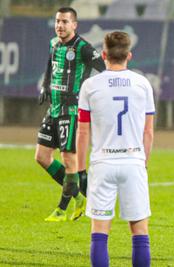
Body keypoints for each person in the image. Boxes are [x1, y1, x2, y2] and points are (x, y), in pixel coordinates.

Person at [76, 31, 155, 267]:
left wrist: (80, 171)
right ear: (129, 55)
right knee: (139, 230)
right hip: (133, 161)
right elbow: (148, 132)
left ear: (103, 55)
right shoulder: (143, 84)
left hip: (102, 164)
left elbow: (82, 132)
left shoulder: (90, 86)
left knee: (99, 230)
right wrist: (143, 163)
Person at [35, 7, 106, 222]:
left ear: (74, 25)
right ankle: (80, 196)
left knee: (68, 160)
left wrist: (92, 94)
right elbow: (50, 64)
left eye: (65, 22)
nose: (60, 25)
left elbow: (103, 69)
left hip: (71, 111)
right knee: (41, 157)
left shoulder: (83, 48)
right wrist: (46, 85)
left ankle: (62, 208)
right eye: (57, 21)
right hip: (53, 109)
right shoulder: (53, 43)